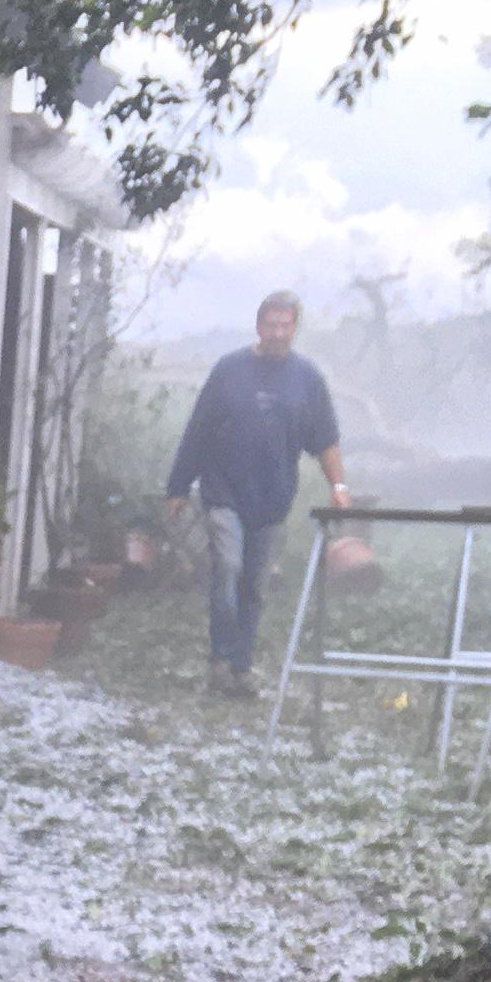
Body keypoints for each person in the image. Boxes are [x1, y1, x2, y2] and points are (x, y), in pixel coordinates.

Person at [165, 292, 350, 698]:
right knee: (228, 568)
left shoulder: (307, 379)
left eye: (285, 325)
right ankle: (220, 658)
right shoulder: (229, 371)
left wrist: (338, 486)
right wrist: (179, 486)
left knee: (255, 586)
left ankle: (241, 668)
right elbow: (198, 430)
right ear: (258, 326)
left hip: (272, 499)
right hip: (222, 490)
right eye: (271, 325)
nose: (278, 333)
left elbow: (326, 440)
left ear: (295, 329)